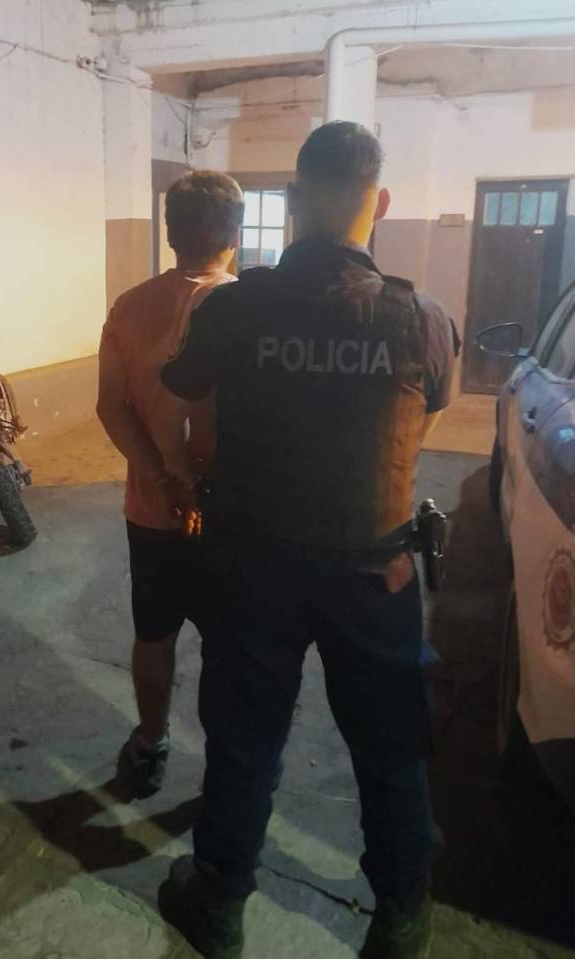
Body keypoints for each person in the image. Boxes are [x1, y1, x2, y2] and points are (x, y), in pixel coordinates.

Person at [159, 122, 456, 959]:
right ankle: (401, 918)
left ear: (291, 201)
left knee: (243, 739)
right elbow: (422, 424)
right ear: (380, 204)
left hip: (253, 568)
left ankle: (219, 901)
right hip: (375, 571)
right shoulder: (420, 316)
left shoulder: (232, 307)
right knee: (391, 751)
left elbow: (183, 390)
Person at [96, 170, 244, 799]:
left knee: (153, 634)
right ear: (234, 235)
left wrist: (160, 478)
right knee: (230, 646)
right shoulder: (245, 308)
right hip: (227, 515)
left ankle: (151, 742)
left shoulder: (129, 307)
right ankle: (230, 768)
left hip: (151, 511)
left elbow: (111, 407)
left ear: (169, 232)